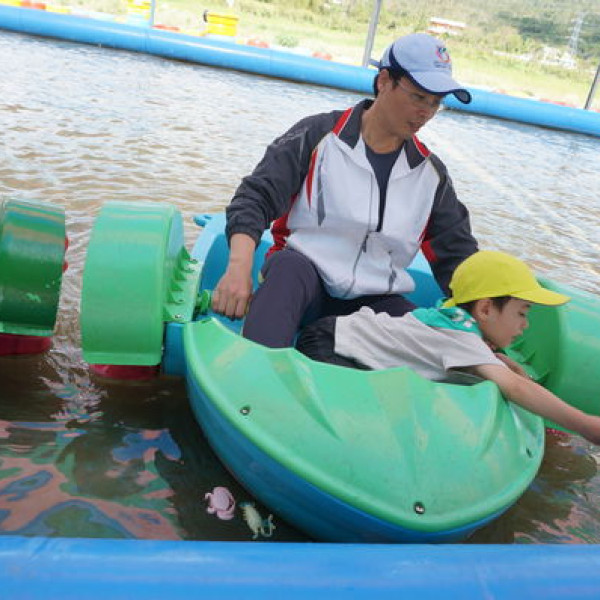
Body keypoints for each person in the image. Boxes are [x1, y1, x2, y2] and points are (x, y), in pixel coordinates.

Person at [213, 33, 477, 347]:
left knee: (438, 340)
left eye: (435, 103)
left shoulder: (431, 176)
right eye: (419, 97)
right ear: (384, 81)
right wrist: (238, 270)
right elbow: (255, 198)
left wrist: (483, 334)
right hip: (302, 283)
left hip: (377, 302)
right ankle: (258, 364)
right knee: (287, 268)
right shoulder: (317, 136)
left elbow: (459, 258)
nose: (426, 112)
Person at [296, 250, 600, 445]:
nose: (526, 325)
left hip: (336, 332)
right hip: (332, 345)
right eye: (521, 313)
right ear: (485, 309)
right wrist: (586, 425)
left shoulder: (456, 323)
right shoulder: (461, 339)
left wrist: (504, 366)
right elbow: (516, 389)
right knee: (358, 423)